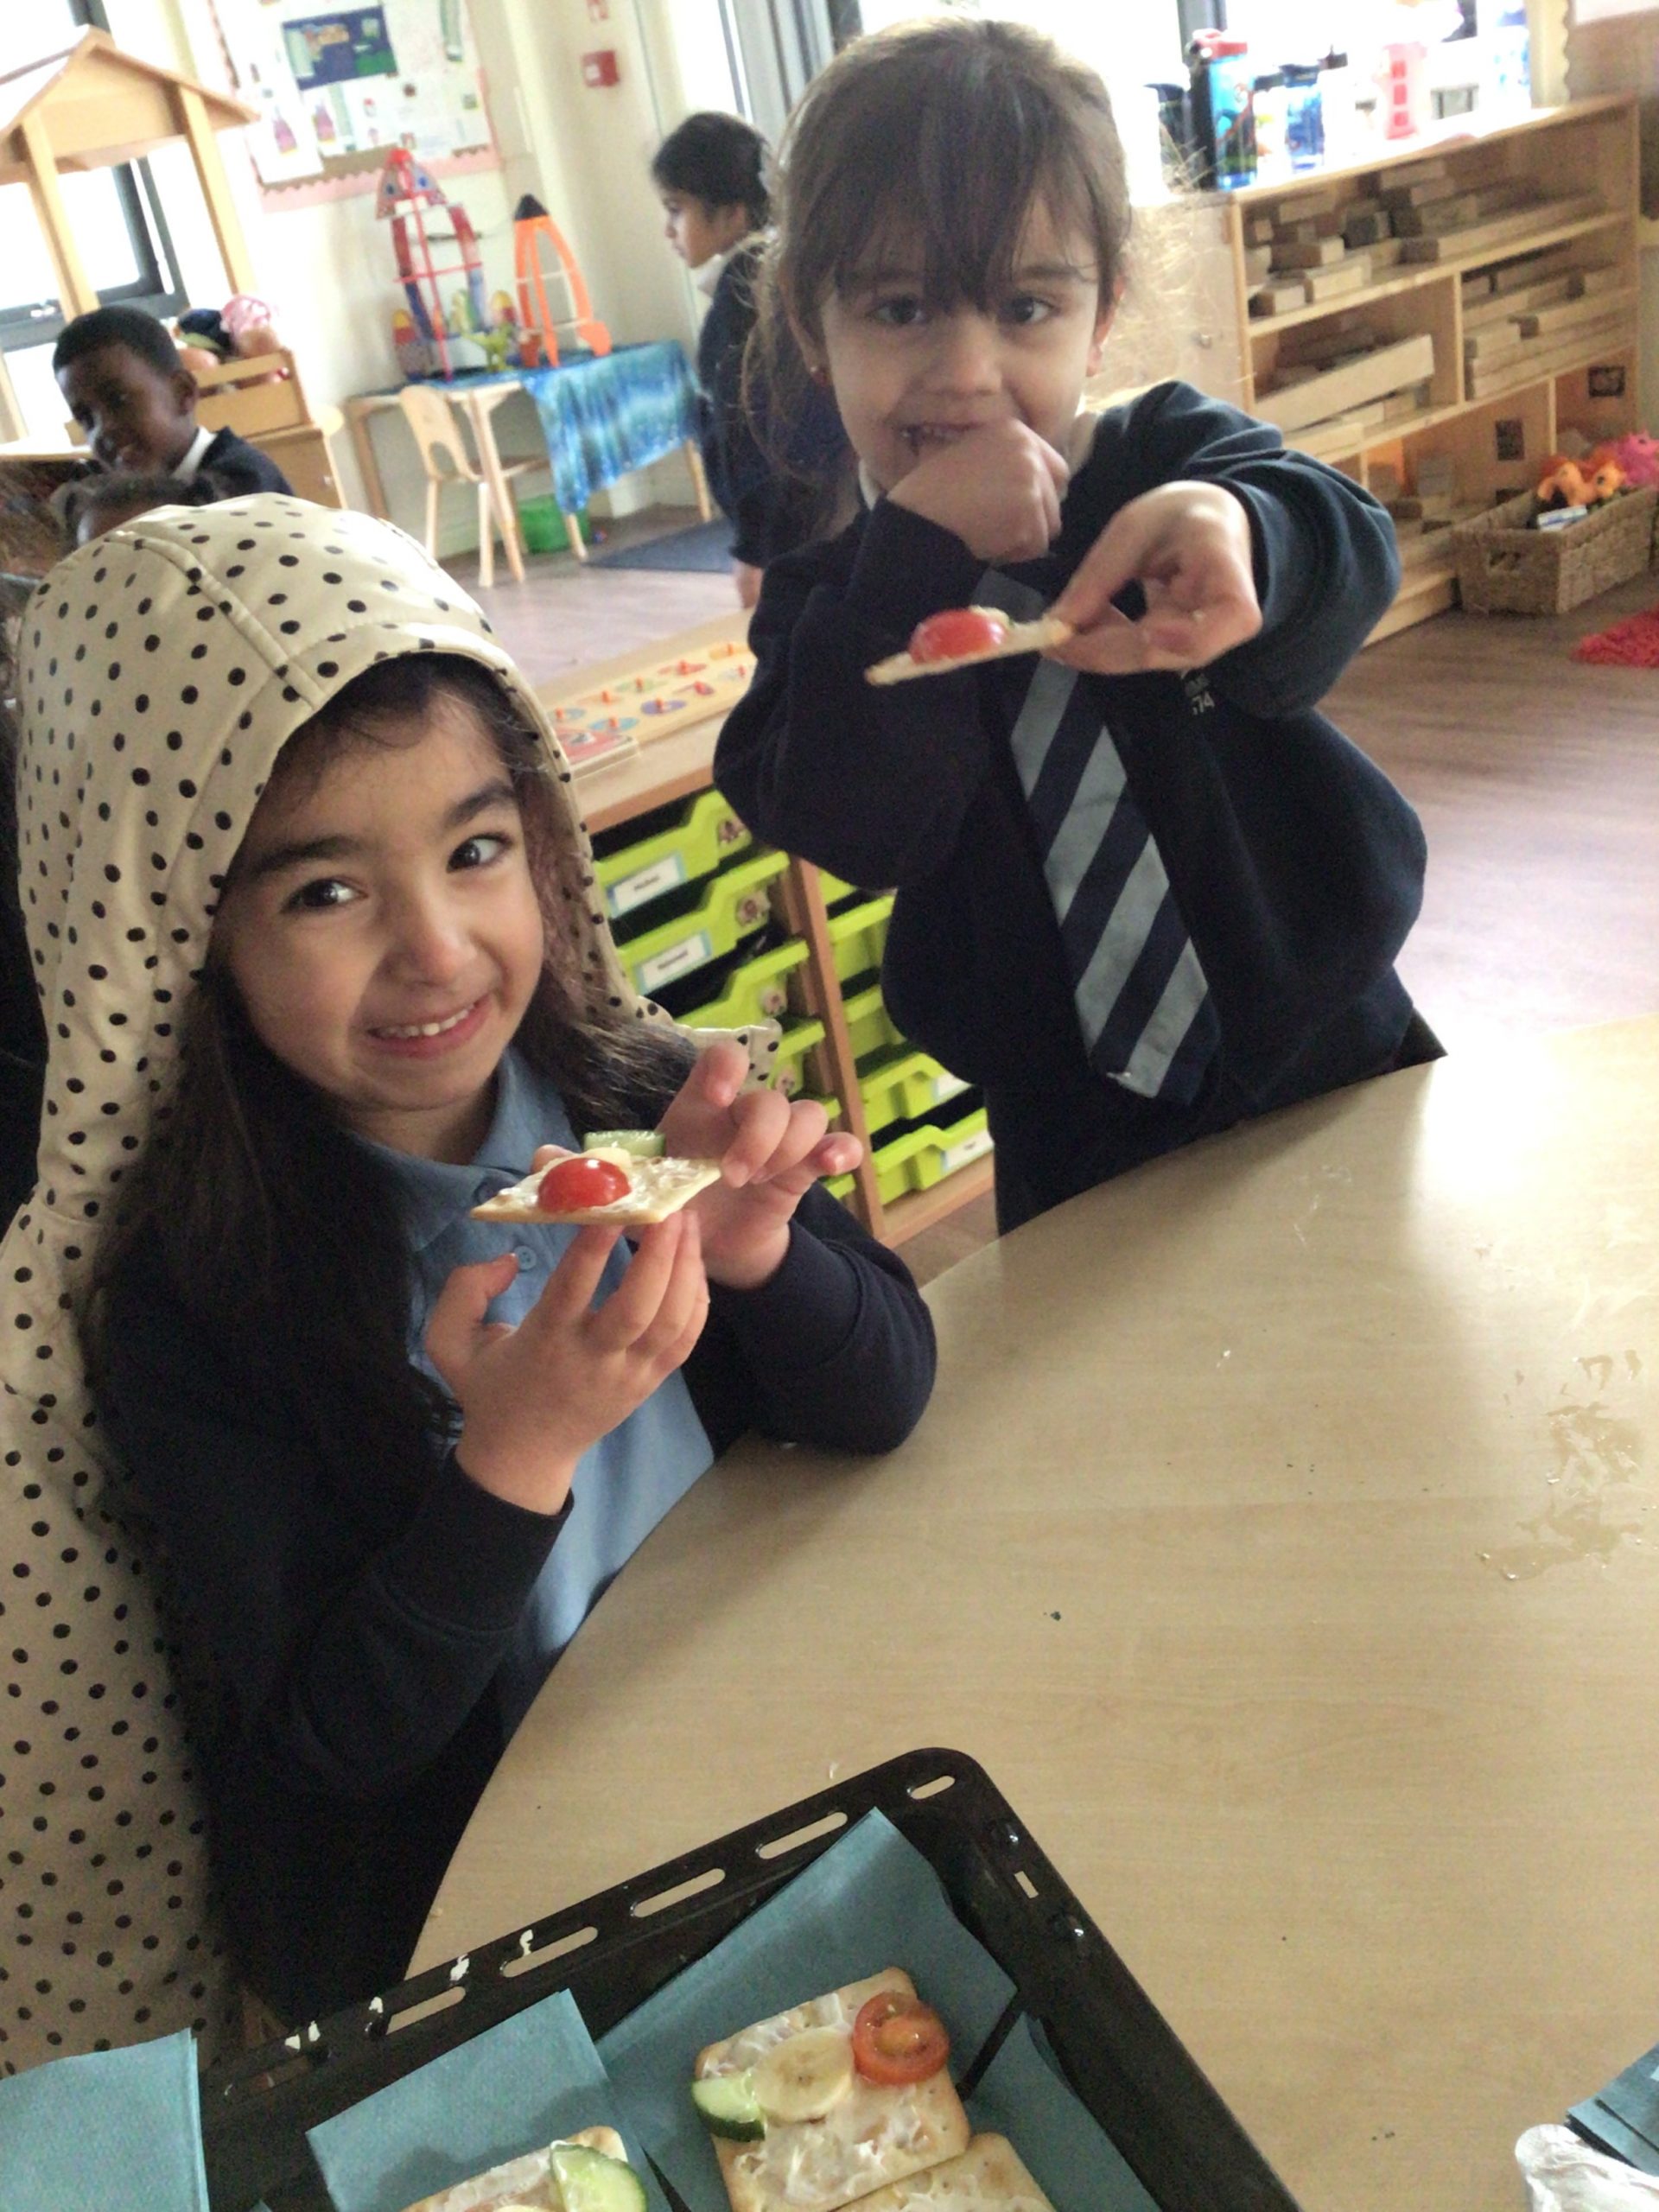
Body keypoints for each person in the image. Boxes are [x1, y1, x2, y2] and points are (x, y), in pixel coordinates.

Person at [3, 497, 935, 2054]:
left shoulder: (639, 1098)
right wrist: (515, 1454)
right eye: (325, 891)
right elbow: (330, 1743)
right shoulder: (201, 1301)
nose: (436, 948)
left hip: (762, 1754)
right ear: (186, 937)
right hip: (498, 1925)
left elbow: (893, 1388)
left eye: (475, 850)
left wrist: (763, 1256)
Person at [714, 19, 1439, 1235]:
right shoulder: (832, 602)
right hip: (1066, 1120)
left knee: (1391, 1316)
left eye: (1025, 306)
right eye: (899, 307)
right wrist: (919, 559)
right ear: (808, 326)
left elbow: (1350, 549)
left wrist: (1245, 531)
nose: (966, 371)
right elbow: (854, 821)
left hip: (1335, 1047)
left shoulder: (1168, 458)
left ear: (1100, 318)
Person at [652, 111, 846, 607]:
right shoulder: (772, 279)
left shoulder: (743, 300)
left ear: (732, 214)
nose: (668, 230)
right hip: (813, 516)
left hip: (794, 529)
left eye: (676, 210)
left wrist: (757, 549)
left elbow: (760, 439)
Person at [52, 303, 293, 496]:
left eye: (119, 400)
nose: (104, 429)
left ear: (182, 393)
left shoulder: (243, 480)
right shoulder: (138, 491)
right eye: (86, 418)